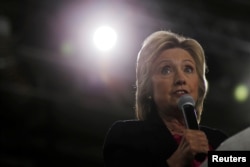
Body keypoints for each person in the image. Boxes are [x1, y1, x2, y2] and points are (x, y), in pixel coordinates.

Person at [103, 30, 228, 167]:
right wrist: (177, 161)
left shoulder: (220, 141)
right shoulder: (126, 135)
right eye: (166, 70)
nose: (181, 79)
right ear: (148, 88)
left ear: (199, 85)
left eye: (188, 69)